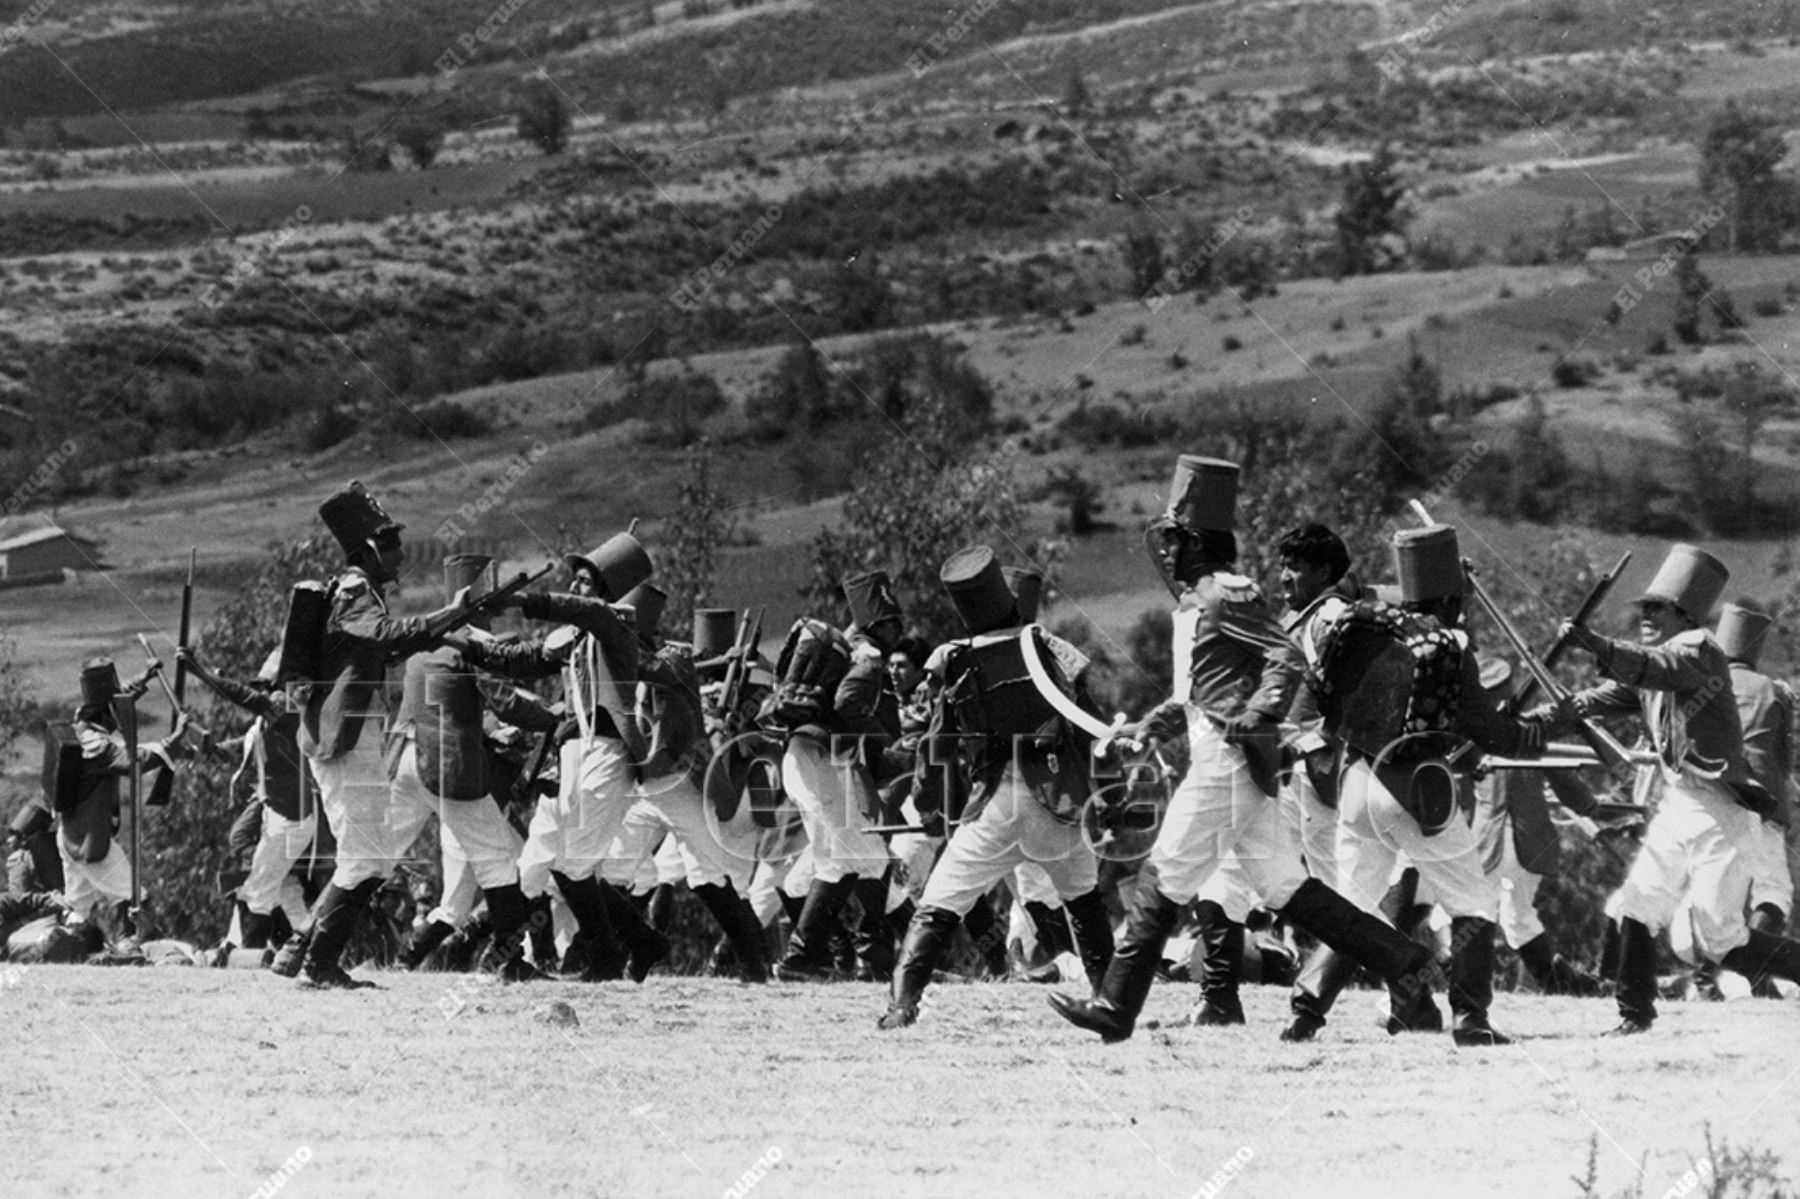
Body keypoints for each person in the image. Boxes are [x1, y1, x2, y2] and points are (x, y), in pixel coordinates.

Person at [1050, 456, 1432, 1045]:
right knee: (1285, 888)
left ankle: (1115, 1007)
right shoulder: (1194, 604)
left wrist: (1260, 712)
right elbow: (1196, 697)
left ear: (1200, 544)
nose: (1167, 554)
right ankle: (1406, 965)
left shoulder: (1226, 595)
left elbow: (1287, 656)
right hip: (1225, 756)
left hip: (1229, 759)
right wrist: (1150, 728)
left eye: (1176, 542)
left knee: (1167, 870)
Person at [1555, 544, 1800, 1033]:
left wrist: (1596, 644)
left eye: (1655, 608)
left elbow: (1656, 669)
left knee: (1721, 937)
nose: (1645, 615)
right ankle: (1634, 1014)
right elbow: (1599, 698)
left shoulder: (1699, 651)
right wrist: (1541, 719)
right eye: (1644, 608)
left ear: (1683, 615)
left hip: (1720, 809)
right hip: (1678, 803)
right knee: (1637, 903)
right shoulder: (1655, 661)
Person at [878, 546, 1114, 1030]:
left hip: (993, 804)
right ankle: (1111, 1003)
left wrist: (929, 804)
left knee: (939, 904)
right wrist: (1109, 795)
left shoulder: (956, 662)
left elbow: (936, 745)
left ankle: (901, 1007)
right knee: (1085, 902)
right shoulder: (1048, 650)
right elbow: (1093, 728)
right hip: (1057, 801)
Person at [280, 481, 470, 989]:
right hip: (344, 737)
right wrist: (445, 616)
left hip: (355, 734)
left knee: (375, 857)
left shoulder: (361, 594)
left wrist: (436, 626)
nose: (401, 555)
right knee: (365, 857)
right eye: (392, 545)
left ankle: (311, 959)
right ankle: (316, 966)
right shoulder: (354, 591)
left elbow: (380, 650)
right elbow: (383, 637)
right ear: (368, 550)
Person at [458, 532, 671, 982]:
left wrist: (525, 599)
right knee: (551, 860)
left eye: (585, 581)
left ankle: (610, 956)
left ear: (605, 592)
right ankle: (639, 941)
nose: (576, 588)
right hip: (571, 754)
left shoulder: (616, 622)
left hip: (606, 752)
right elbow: (527, 657)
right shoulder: (575, 636)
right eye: (574, 581)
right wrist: (470, 648)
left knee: (574, 865)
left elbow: (586, 611)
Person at [395, 554, 563, 980]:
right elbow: (506, 704)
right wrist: (554, 716)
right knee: (499, 862)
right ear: (484, 604)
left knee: (370, 858)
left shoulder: (428, 638)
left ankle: (313, 944)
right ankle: (511, 962)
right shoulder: (469, 642)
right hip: (445, 764)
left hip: (402, 760)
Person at [765, 572, 899, 982]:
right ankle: (802, 959)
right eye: (894, 620)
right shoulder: (869, 655)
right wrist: (887, 743)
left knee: (870, 858)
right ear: (877, 624)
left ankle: (870, 958)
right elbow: (847, 707)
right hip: (822, 763)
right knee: (843, 859)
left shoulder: (850, 649)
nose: (901, 629)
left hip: (809, 760)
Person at [179, 646, 315, 954]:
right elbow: (245, 744)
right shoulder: (272, 720)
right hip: (278, 817)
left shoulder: (289, 708)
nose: (268, 693)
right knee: (276, 888)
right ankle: (253, 949)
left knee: (258, 893)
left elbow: (246, 699)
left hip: (289, 820)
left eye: (270, 686)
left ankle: (249, 958)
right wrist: (208, 750)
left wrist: (200, 672)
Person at [49, 657, 186, 959]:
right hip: (88, 837)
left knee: (78, 906)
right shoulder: (97, 744)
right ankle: (126, 947)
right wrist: (174, 740)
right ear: (105, 708)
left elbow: (119, 697)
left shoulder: (85, 721)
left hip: (71, 833)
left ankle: (62, 949)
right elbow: (134, 761)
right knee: (132, 895)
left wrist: (145, 677)